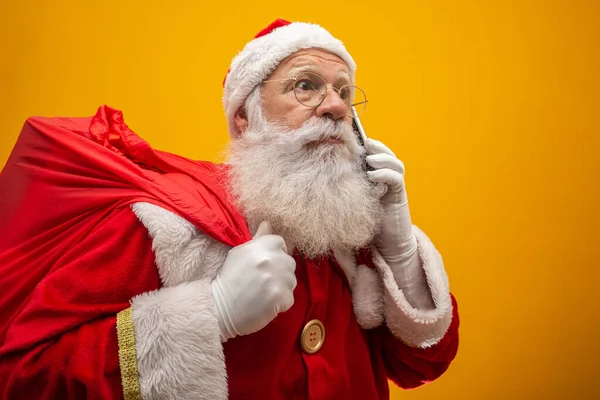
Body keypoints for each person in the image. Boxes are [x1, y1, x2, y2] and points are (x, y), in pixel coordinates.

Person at [0, 19, 459, 399]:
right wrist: (211, 311)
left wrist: (399, 251)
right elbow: (25, 378)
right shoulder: (167, 221)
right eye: (306, 86)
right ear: (245, 117)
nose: (337, 106)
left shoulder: (351, 232)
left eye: (344, 90)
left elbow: (422, 363)